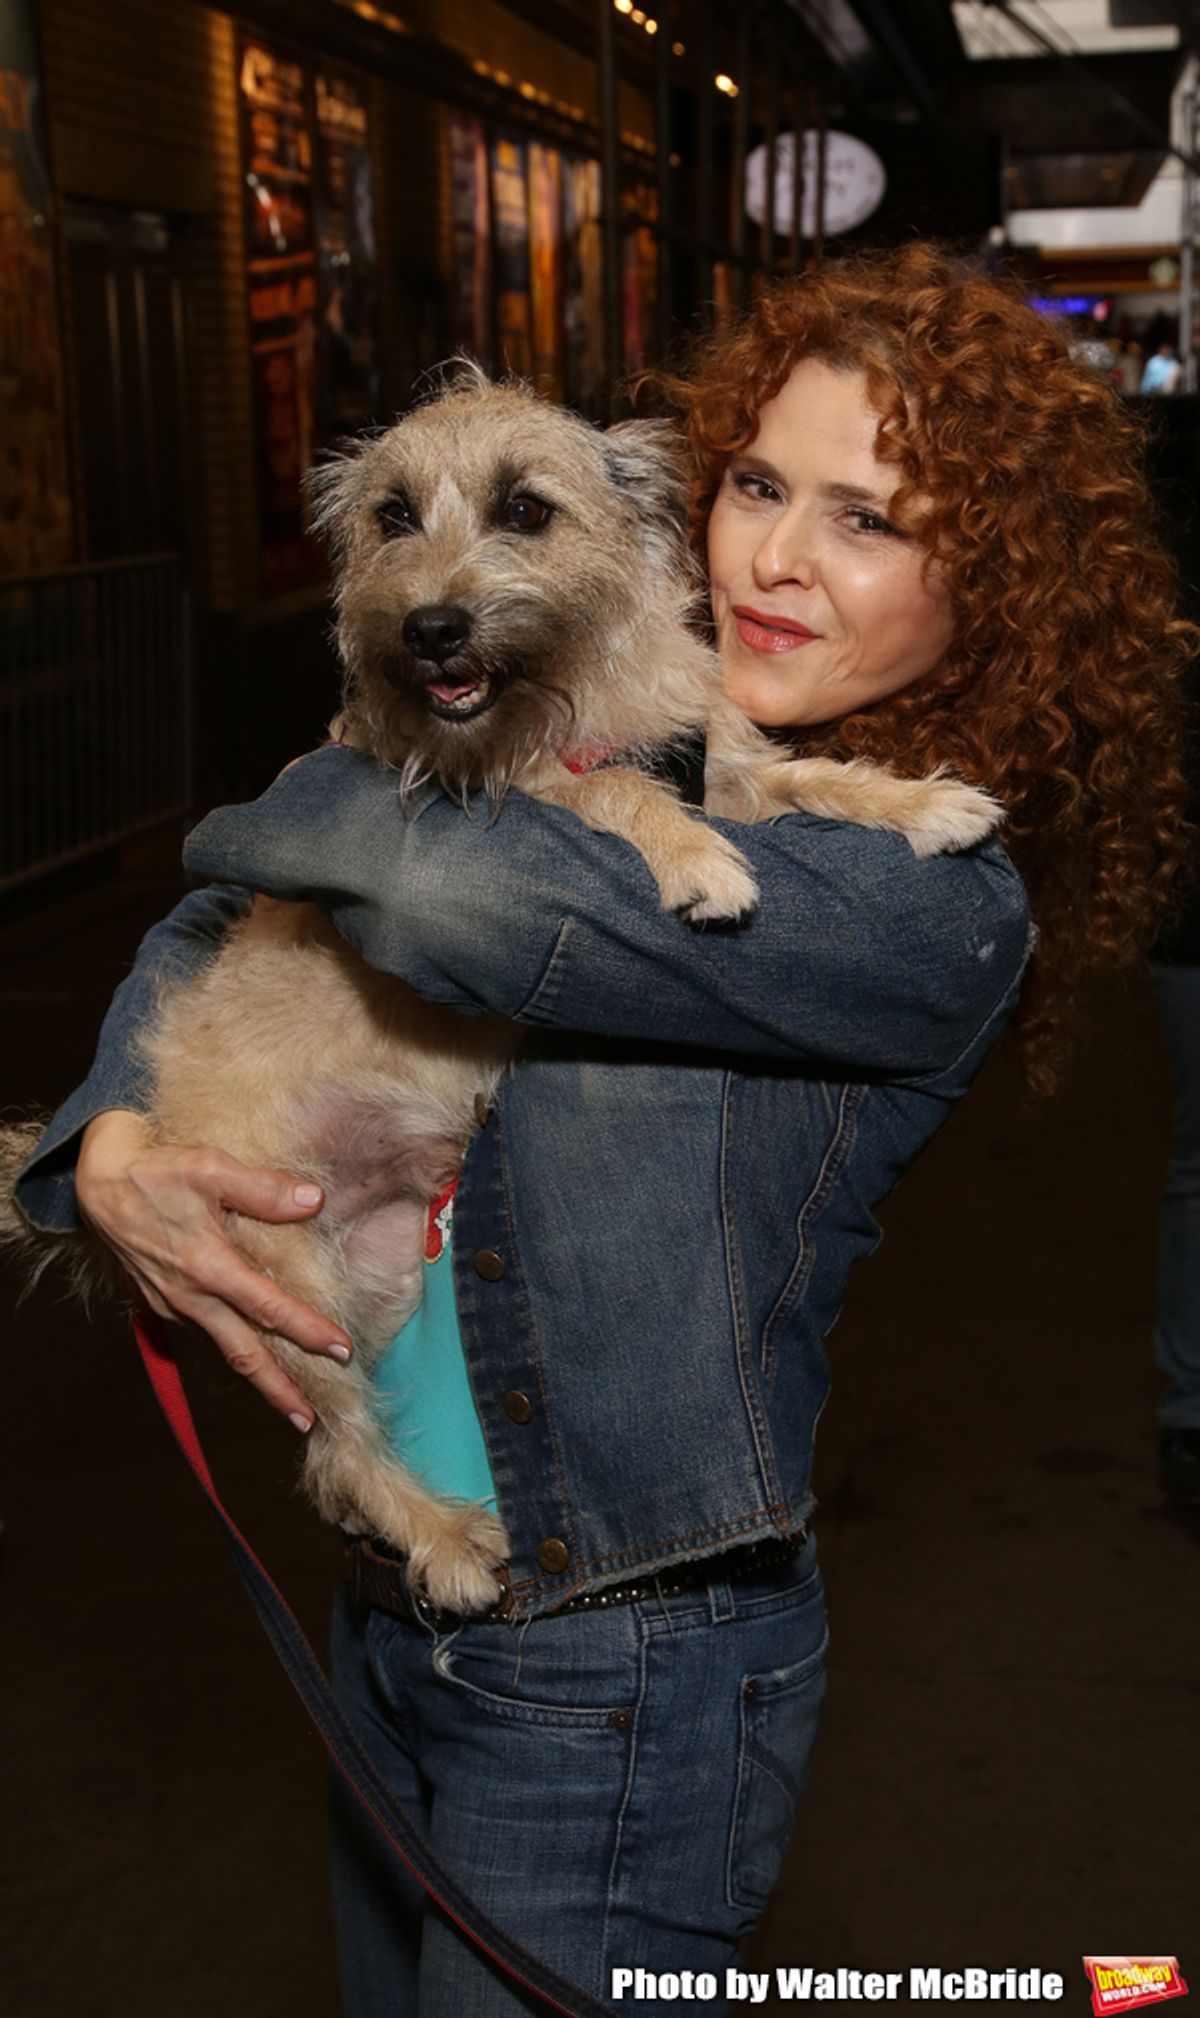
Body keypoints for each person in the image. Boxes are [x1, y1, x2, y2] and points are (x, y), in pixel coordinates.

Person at [12, 245, 1191, 2015]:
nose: (780, 557)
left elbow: (422, 896)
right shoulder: (598, 711)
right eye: (761, 486)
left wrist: (315, 789)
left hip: (617, 1662)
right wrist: (102, 1140)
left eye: (870, 522)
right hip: (395, 1597)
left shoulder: (928, 898)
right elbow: (211, 923)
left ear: (993, 589)